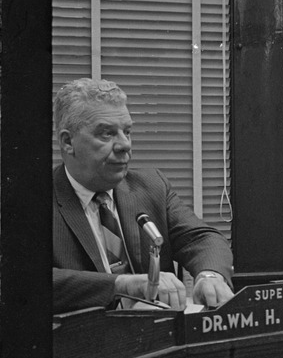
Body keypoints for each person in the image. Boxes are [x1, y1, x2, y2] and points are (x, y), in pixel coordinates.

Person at [53, 78, 235, 313]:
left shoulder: (150, 186)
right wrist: (122, 285)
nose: (125, 145)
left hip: (159, 337)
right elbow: (23, 280)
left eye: (127, 131)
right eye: (107, 134)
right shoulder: (31, 201)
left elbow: (202, 238)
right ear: (68, 142)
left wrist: (210, 275)